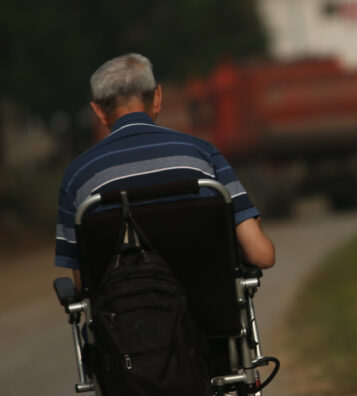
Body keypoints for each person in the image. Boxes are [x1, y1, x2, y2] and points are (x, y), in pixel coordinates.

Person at [55, 53, 275, 290]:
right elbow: (262, 256)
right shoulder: (202, 155)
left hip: (121, 320)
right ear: (158, 97)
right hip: (209, 316)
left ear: (97, 111)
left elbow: (83, 284)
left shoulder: (77, 176)